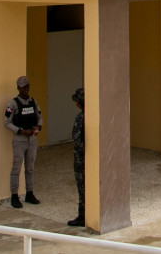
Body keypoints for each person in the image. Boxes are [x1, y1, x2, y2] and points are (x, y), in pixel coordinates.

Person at [3, 75, 41, 208]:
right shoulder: (12, 104)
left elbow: (39, 117)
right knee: (16, 168)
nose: (25, 89)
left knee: (30, 167)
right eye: (22, 87)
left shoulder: (33, 102)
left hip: (32, 140)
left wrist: (38, 128)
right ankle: (14, 195)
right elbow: (7, 123)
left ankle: (29, 193)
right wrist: (20, 131)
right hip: (19, 140)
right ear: (18, 88)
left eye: (27, 86)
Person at [67, 88, 85, 227]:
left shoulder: (81, 117)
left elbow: (77, 138)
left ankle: (83, 216)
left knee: (82, 188)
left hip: (81, 159)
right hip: (90, 158)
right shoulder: (94, 114)